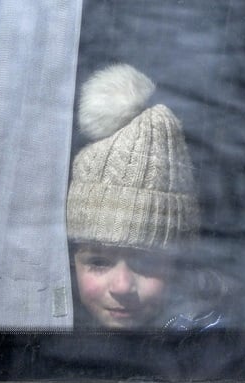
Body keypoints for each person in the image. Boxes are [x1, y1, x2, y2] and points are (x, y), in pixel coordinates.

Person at [67, 63, 224, 331]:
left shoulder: (213, 337)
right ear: (71, 264)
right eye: (98, 262)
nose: (122, 287)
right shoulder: (32, 345)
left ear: (179, 265)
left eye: (147, 262)